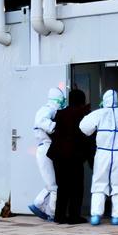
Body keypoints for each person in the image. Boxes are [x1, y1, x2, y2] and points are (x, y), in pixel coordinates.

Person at [79, 89, 118, 225]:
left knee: (99, 183)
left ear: (104, 100)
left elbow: (84, 127)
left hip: (103, 153)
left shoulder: (98, 113)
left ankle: (96, 215)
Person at [49, 89, 93, 224]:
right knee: (76, 187)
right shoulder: (83, 114)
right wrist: (91, 159)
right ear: (82, 100)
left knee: (62, 186)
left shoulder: (60, 114)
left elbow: (54, 132)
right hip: (74, 156)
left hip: (58, 155)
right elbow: (87, 137)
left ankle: (59, 216)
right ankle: (74, 216)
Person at [29, 87, 66, 221]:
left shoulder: (49, 109)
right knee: (54, 185)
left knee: (52, 182)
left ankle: (39, 204)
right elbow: (43, 122)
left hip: (47, 148)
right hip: (46, 148)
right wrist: (56, 128)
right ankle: (50, 212)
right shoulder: (47, 110)